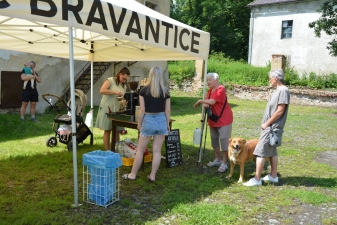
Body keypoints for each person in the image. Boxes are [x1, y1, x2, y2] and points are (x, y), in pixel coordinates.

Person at [122, 66, 170, 182]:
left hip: (148, 120)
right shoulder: (165, 91)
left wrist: (139, 123)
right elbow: (167, 110)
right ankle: (152, 176)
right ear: (160, 77)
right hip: (161, 120)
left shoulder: (143, 90)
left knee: (140, 150)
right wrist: (167, 124)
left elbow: (141, 110)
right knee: (157, 150)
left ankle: (132, 174)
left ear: (150, 75)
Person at [243, 69, 290, 187]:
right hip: (271, 127)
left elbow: (280, 111)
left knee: (260, 151)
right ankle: (273, 176)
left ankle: (257, 179)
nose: (269, 80)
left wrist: (267, 123)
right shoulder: (279, 90)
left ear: (277, 78)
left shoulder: (283, 90)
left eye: (270, 78)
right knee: (272, 150)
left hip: (271, 127)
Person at [194, 72, 233, 173]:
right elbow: (208, 102)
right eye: (207, 80)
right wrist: (206, 104)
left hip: (224, 119)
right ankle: (217, 159)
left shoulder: (221, 89)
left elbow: (211, 101)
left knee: (224, 140)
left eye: (209, 80)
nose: (207, 82)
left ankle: (224, 163)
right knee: (214, 140)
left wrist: (200, 101)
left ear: (216, 80)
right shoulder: (210, 90)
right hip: (213, 119)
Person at [95, 67, 130, 150]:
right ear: (120, 74)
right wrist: (115, 92)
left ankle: (116, 149)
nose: (124, 81)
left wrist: (124, 101)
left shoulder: (124, 86)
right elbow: (102, 90)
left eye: (126, 80)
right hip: (108, 108)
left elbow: (121, 98)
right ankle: (108, 150)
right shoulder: (110, 80)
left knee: (117, 131)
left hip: (117, 109)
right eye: (123, 78)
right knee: (108, 130)